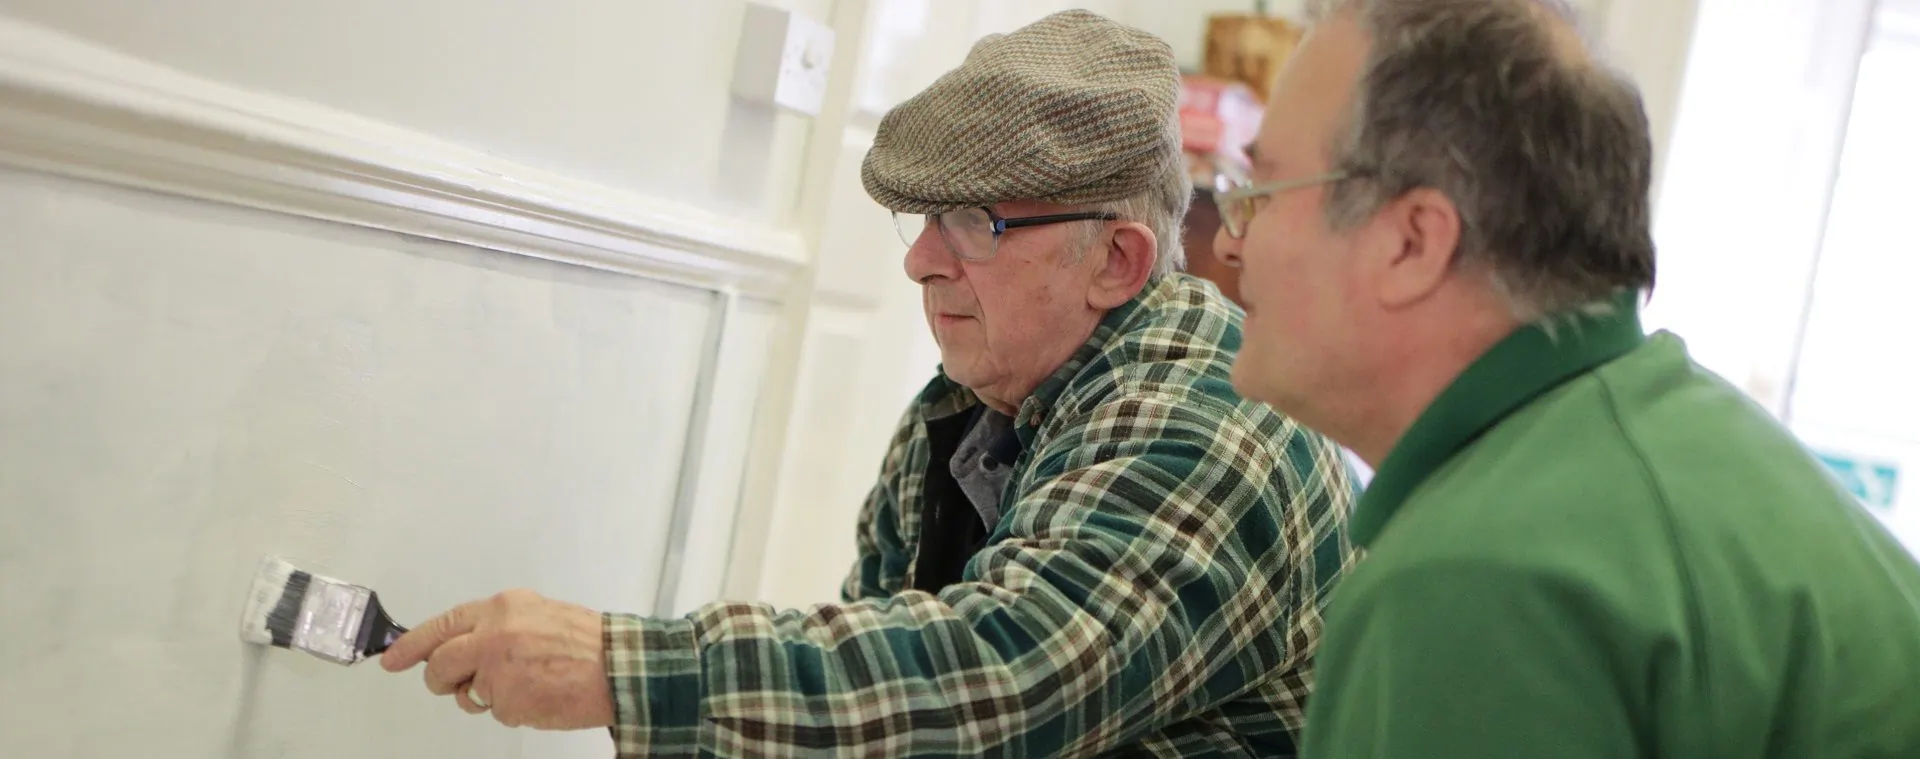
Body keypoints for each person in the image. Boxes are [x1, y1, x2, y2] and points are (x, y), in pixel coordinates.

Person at [379, 10, 1357, 756]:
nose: (921, 261)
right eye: (923, 218)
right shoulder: (961, 414)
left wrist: (613, 669)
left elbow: (998, 676)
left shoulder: (1216, 424)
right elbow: (876, 680)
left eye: (977, 221)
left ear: (1118, 259)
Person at [1210, 0, 1920, 756]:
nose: (1226, 241)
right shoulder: (1674, 441)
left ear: (1412, 242)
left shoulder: (1479, 578)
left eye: (1261, 193)